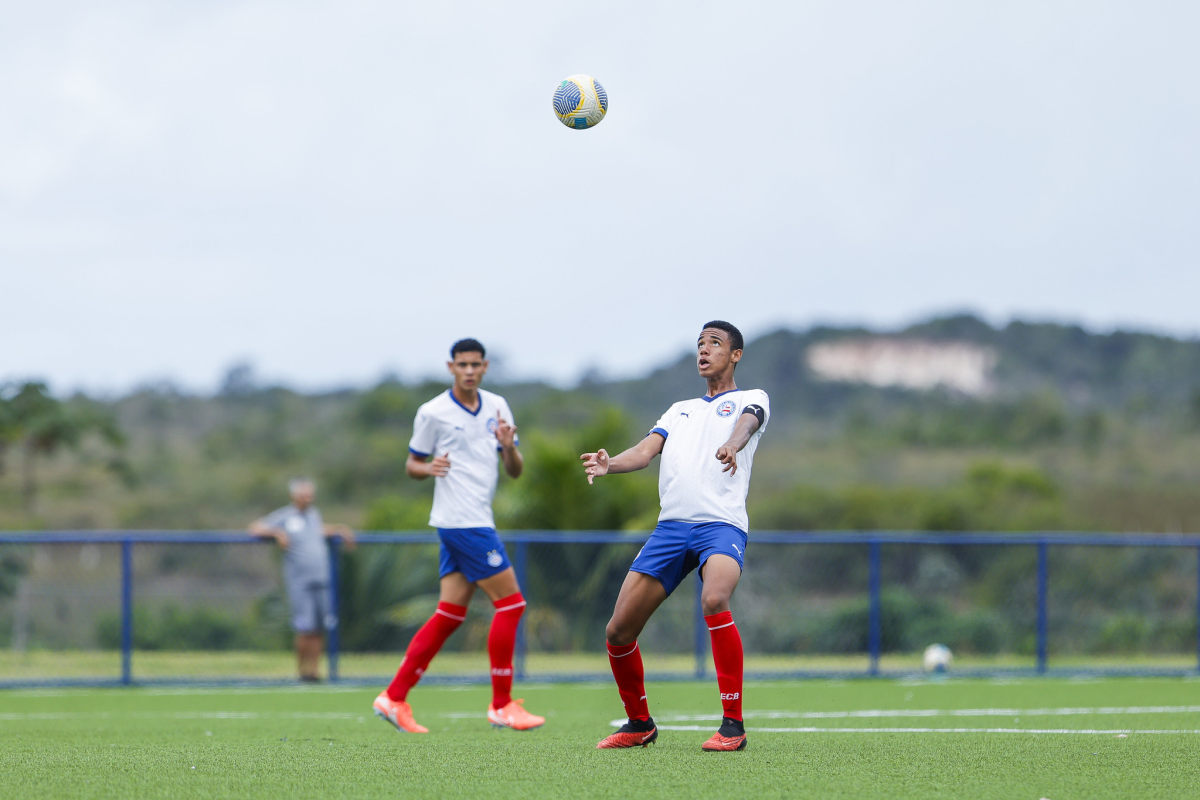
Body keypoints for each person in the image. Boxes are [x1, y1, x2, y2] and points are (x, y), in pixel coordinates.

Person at [580, 320, 769, 752]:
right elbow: (645, 452)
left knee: (715, 597)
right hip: (671, 529)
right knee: (618, 631)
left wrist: (733, 445)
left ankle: (732, 726)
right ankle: (639, 723)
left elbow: (747, 423)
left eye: (715, 343)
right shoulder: (679, 409)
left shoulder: (751, 398)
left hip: (720, 526)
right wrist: (611, 464)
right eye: (700, 344)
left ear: (735, 354)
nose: (704, 350)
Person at [373, 337, 545, 734]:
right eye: (461, 364)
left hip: (474, 519)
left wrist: (509, 448)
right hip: (461, 521)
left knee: (449, 615)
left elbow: (515, 470)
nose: (469, 370)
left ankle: (393, 697)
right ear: (451, 367)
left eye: (475, 364)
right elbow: (411, 465)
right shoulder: (432, 412)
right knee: (512, 604)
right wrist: (428, 467)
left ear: (484, 367)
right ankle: (501, 705)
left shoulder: (498, 405)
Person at [249, 478, 355, 682]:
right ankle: (301, 671)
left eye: (310, 494)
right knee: (304, 628)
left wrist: (339, 529)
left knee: (319, 627)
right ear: (294, 496)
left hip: (321, 579)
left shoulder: (314, 515)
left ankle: (314, 672)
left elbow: (316, 533)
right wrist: (277, 532)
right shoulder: (285, 516)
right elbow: (255, 528)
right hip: (300, 581)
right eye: (304, 495)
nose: (308, 498)